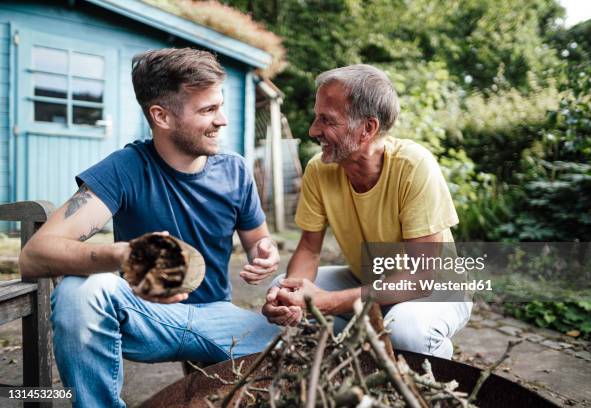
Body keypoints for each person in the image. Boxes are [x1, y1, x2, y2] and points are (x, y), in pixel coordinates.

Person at [19, 48, 280, 408]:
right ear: (161, 116)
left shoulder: (235, 170)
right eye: (207, 110)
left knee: (300, 346)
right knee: (78, 292)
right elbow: (34, 255)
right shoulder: (125, 168)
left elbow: (259, 240)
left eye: (220, 106)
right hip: (146, 315)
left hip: (218, 317)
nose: (222, 120)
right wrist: (124, 254)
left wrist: (265, 253)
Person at [262, 64, 471, 359]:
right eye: (316, 117)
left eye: (327, 120)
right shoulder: (319, 170)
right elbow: (309, 249)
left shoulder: (413, 166)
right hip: (369, 281)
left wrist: (328, 302)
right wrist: (291, 298)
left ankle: (432, 356)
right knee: (282, 286)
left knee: (406, 330)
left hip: (434, 287)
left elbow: (419, 277)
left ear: (367, 129)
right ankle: (360, 342)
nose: (313, 130)